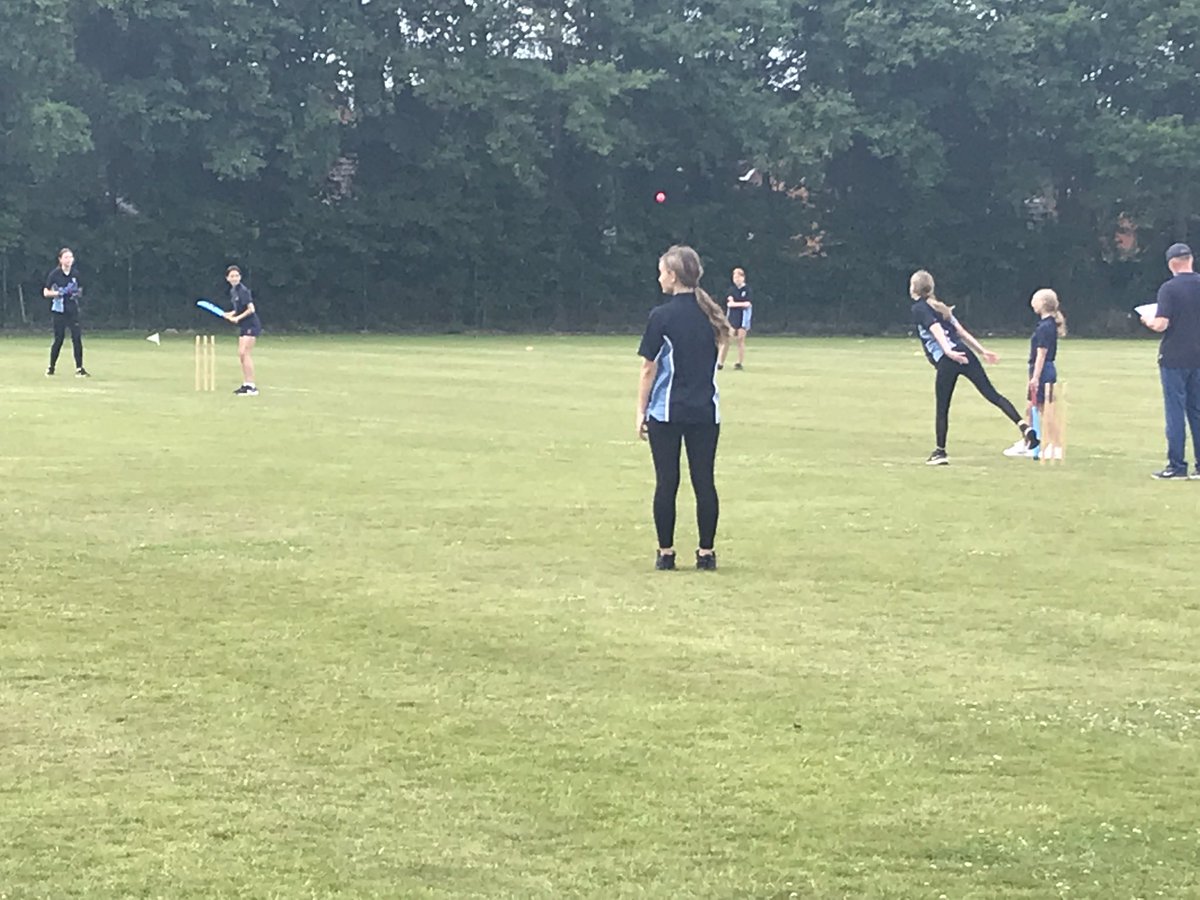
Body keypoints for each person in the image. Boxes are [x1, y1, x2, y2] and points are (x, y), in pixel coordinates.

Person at [636, 245, 732, 570]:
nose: (658, 277)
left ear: (673, 276)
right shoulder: (710, 314)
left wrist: (640, 410)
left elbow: (649, 369)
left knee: (667, 482)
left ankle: (666, 554)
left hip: (667, 411)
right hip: (705, 411)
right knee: (704, 480)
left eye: (662, 271)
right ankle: (706, 554)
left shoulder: (660, 316)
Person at [908, 269, 1037, 465]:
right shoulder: (941, 307)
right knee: (992, 394)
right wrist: (981, 351)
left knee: (942, 407)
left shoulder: (919, 308)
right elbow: (961, 332)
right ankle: (1024, 427)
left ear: (914, 288)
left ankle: (940, 452)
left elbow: (935, 329)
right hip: (965, 354)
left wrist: (948, 352)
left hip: (948, 358)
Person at [1140, 242, 1200, 479]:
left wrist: (1147, 320)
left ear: (1171, 264)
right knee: (1197, 411)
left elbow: (1161, 323)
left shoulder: (1169, 289)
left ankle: (1177, 465)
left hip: (1175, 356)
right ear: (1190, 260)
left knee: (1175, 411)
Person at [1003, 289, 1066, 459]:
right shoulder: (1046, 324)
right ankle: (1030, 441)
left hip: (1043, 370)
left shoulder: (1046, 327)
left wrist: (1035, 377)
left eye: (1035, 300)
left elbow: (1042, 353)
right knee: (1031, 408)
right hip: (1043, 369)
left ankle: (1054, 446)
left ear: (1043, 304)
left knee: (1043, 409)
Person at [42, 247, 89, 377]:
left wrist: (75, 293)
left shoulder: (75, 274)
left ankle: (79, 368)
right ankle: (51, 367)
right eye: (66, 257)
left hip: (72, 310)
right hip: (59, 311)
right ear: (60, 259)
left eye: (71, 257)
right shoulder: (55, 274)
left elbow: (81, 289)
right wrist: (58, 293)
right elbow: (46, 292)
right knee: (59, 339)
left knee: (77, 339)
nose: (69, 260)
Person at [222, 266, 262, 395]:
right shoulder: (233, 292)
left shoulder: (243, 291)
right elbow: (238, 309)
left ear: (240, 277)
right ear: (227, 278)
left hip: (252, 324)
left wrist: (237, 318)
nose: (234, 278)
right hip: (244, 325)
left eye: (236, 276)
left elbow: (251, 309)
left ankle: (251, 386)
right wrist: (230, 314)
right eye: (232, 276)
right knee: (241, 354)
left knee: (245, 353)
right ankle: (246, 384)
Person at [718, 267, 752, 370]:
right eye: (734, 277)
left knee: (740, 340)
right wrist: (739, 304)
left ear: (743, 277)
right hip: (732, 317)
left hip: (743, 317)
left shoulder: (747, 290)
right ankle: (720, 362)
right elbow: (730, 304)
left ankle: (739, 362)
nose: (736, 279)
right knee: (727, 339)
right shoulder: (731, 290)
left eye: (738, 277)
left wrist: (736, 304)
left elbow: (748, 304)